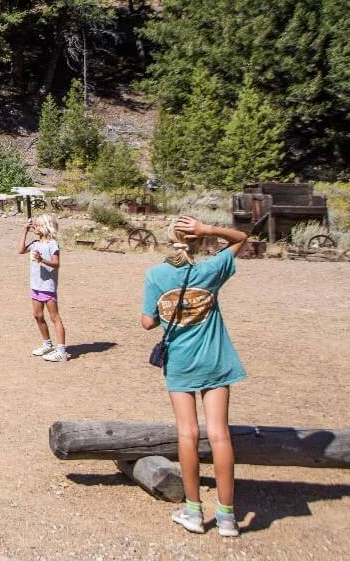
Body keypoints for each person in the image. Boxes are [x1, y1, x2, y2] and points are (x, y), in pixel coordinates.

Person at [140, 215, 249, 538]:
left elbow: (147, 322)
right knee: (219, 434)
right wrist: (210, 229)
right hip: (216, 359)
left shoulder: (157, 275)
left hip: (182, 361)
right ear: (197, 241)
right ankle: (227, 517)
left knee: (187, 434)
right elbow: (241, 238)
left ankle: (193, 511)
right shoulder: (210, 270)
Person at [18, 214, 69, 362]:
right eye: (35, 225)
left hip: (48, 287)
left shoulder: (52, 244)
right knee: (37, 315)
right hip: (36, 286)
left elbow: (56, 264)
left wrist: (42, 260)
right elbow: (20, 250)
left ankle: (61, 351)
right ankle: (47, 344)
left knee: (54, 317)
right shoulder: (35, 243)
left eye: (38, 225)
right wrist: (24, 231)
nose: (35, 227)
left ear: (47, 227)